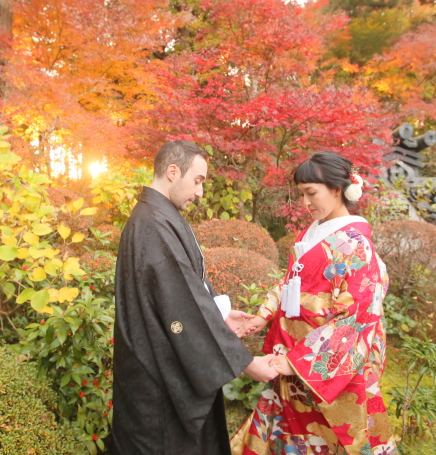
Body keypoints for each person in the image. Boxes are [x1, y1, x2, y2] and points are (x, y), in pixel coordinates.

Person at [111, 140, 279, 455]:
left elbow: (185, 287)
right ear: (173, 171)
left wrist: (220, 313)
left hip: (160, 357)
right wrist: (245, 363)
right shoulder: (153, 224)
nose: (200, 192)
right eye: (198, 180)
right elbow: (182, 304)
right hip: (157, 371)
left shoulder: (157, 216)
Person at [231, 151, 399, 455]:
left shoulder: (357, 245)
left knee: (327, 438)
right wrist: (263, 315)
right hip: (291, 355)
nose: (306, 203)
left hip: (322, 366)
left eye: (311, 193)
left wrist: (298, 361)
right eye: (302, 195)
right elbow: (291, 283)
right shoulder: (314, 231)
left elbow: (357, 317)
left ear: (337, 190)